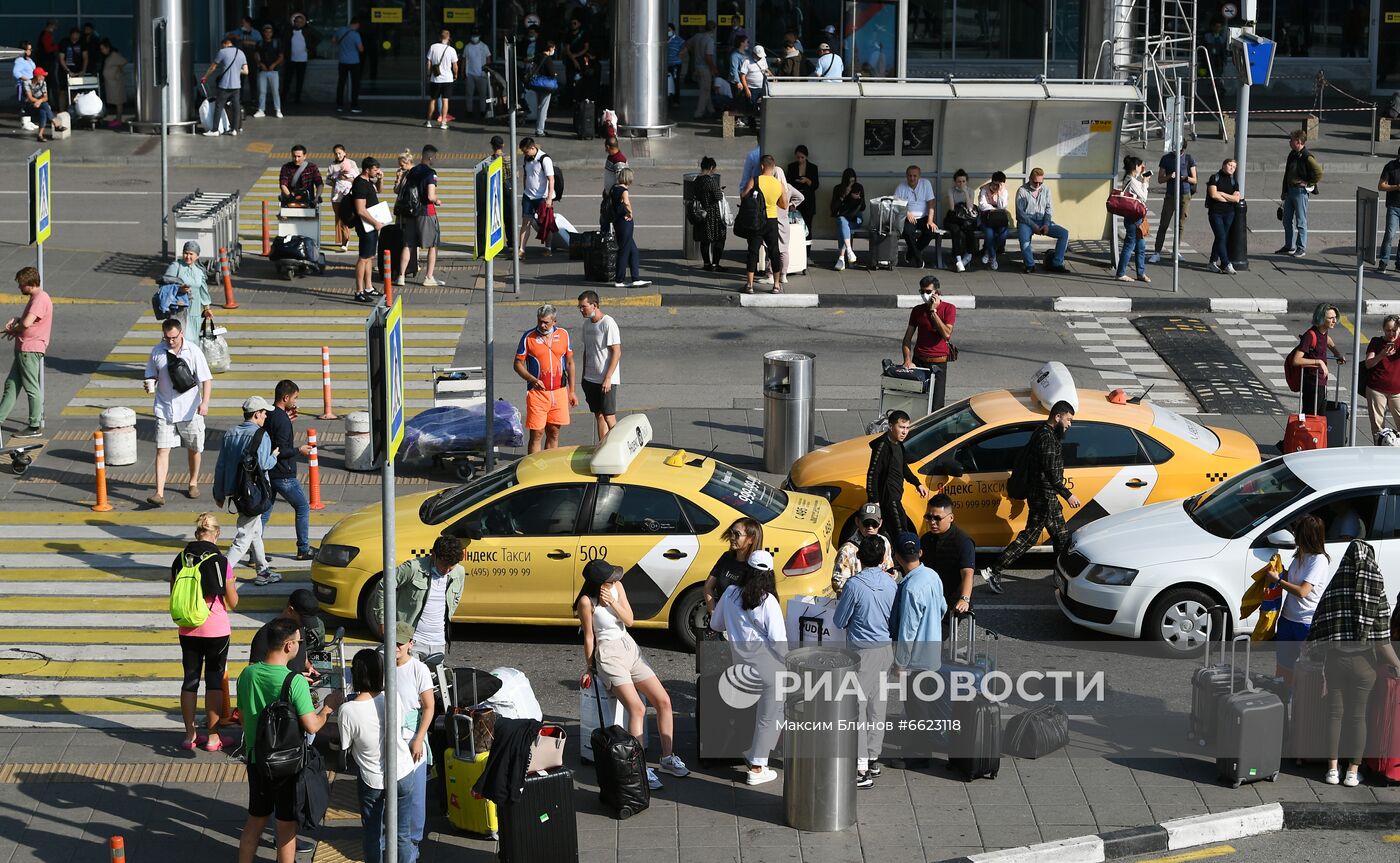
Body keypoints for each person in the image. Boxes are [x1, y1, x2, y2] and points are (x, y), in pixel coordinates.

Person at [576, 559, 690, 791]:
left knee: (663, 701)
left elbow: (629, 620)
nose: (615, 580)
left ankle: (668, 758)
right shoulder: (586, 602)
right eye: (610, 578)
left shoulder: (617, 588)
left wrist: (613, 604)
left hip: (629, 646)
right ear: (598, 583)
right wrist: (590, 667)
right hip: (608, 654)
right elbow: (589, 637)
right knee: (637, 708)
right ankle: (639, 768)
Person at [235, 618, 338, 863]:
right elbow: (312, 725)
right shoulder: (295, 682)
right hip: (287, 765)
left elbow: (242, 716)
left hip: (255, 758)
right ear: (288, 646)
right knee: (285, 828)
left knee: (255, 821)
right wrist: (327, 709)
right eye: (298, 641)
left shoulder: (247, 674)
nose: (299, 645)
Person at [1305, 536, 1400, 787]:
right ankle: (1352, 771)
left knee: (1334, 715)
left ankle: (1332, 770)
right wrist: (1397, 665)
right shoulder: (1375, 587)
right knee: (1358, 717)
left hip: (1335, 660)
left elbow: (1319, 623)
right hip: (1364, 663)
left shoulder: (1336, 586)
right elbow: (1382, 639)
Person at [982, 400, 1081, 593]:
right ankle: (993, 570)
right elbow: (1051, 472)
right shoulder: (1048, 439)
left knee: (1059, 537)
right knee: (1032, 537)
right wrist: (1067, 495)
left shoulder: (1042, 431)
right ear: (1058, 416)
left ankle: (1058, 577)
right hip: (1045, 497)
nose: (1070, 424)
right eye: (1068, 419)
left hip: (1042, 494)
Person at [709, 550, 787, 786]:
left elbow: (716, 623)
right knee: (770, 716)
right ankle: (757, 767)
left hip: (740, 667)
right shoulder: (768, 601)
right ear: (769, 575)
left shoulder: (731, 593)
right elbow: (779, 642)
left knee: (758, 715)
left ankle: (754, 750)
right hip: (768, 668)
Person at [338, 649, 414, 863]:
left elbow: (344, 745)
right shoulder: (392, 697)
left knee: (373, 835)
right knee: (402, 834)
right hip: (403, 771)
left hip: (372, 779)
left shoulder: (348, 710)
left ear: (355, 674)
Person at [833, 535, 897, 789]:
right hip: (886, 650)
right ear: (883, 559)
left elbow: (839, 621)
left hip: (862, 653)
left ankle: (860, 770)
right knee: (877, 705)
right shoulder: (891, 584)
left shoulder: (854, 586)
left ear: (859, 557)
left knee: (856, 708)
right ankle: (872, 757)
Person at [170, 512, 237, 751]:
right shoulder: (221, 561)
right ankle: (213, 737)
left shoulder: (180, 558)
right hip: (215, 629)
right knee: (214, 681)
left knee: (190, 679)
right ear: (216, 533)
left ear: (197, 532)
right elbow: (233, 602)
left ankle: (189, 735)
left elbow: (174, 592)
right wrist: (232, 582)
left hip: (187, 628)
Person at [890, 530, 946, 769]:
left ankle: (918, 753)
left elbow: (908, 631)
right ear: (920, 553)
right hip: (933, 651)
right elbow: (943, 607)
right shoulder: (932, 576)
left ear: (897, 557)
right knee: (926, 704)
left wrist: (900, 663)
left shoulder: (911, 588)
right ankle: (923, 746)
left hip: (916, 659)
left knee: (915, 708)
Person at [143, 318, 212, 507]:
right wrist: (149, 382)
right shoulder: (158, 351)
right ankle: (159, 492)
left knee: (194, 448)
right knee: (162, 450)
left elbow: (206, 379)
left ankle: (193, 482)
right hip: (164, 408)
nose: (170, 341)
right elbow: (151, 373)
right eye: (167, 337)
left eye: (173, 337)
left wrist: (204, 403)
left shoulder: (193, 351)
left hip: (190, 409)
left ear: (181, 333)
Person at [214, 395, 280, 585]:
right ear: (257, 414)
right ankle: (218, 574)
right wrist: (274, 455)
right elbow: (265, 464)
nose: (266, 416)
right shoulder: (261, 435)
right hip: (254, 492)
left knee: (255, 531)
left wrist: (218, 493)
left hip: (236, 490)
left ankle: (263, 572)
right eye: (264, 413)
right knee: (244, 536)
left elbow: (221, 465)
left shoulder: (230, 433)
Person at [369, 535, 467, 657]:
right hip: (410, 641)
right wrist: (382, 620)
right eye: (444, 565)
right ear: (434, 555)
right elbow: (383, 585)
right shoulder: (413, 568)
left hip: (439, 643)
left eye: (451, 566)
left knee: (434, 676)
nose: (447, 570)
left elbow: (455, 599)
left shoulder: (459, 572)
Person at [389, 620, 434, 861]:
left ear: (410, 644)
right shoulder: (382, 665)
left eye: (400, 643)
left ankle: (413, 843)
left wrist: (419, 739)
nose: (395, 647)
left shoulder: (419, 669)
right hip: (388, 743)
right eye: (391, 641)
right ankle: (391, 843)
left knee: (415, 802)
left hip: (411, 744)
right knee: (390, 799)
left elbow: (429, 707)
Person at [1270, 514, 1332, 685]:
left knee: (1307, 668)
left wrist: (1278, 580)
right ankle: (1283, 697)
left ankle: (1304, 702)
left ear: (1306, 536)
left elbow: (1303, 591)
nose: (1294, 536)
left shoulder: (1319, 561)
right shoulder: (1299, 556)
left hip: (1305, 622)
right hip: (1287, 618)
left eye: (1297, 533)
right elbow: (1291, 578)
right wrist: (1278, 570)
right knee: (1283, 665)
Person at [257, 380, 314, 562]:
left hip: (268, 472)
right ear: (286, 397)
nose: (296, 402)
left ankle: (254, 553)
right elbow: (280, 449)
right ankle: (303, 549)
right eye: (295, 398)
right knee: (303, 507)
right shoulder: (281, 420)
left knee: (265, 513)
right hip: (283, 474)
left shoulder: (271, 414)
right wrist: (299, 450)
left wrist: (285, 419)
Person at [514, 304, 577, 454]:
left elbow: (569, 363)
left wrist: (572, 391)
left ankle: (550, 468)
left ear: (554, 321)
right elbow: (517, 364)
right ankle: (534, 469)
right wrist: (532, 379)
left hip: (559, 392)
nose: (542, 325)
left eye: (546, 322)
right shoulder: (528, 337)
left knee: (554, 432)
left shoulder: (563, 335)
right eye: (539, 321)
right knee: (537, 433)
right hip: (537, 394)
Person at [866, 409, 930, 548]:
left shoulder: (898, 444)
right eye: (901, 427)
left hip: (895, 495)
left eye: (907, 428)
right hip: (888, 498)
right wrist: (874, 501)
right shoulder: (883, 446)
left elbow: (902, 467)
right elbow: (872, 474)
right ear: (890, 426)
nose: (904, 432)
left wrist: (916, 484)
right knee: (900, 530)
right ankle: (904, 560)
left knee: (889, 531)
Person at [1, 266, 51, 438]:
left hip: (29, 349)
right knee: (11, 386)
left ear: (30, 283)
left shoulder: (39, 299)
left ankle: (34, 425)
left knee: (31, 388)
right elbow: (28, 321)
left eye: (21, 285)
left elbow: (28, 323)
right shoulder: (37, 297)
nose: (20, 288)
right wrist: (17, 321)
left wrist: (15, 328)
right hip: (24, 349)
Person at [919, 493, 975, 629]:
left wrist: (964, 599)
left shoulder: (962, 542)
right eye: (928, 517)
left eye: (937, 518)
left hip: (951, 602)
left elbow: (967, 573)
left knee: (935, 640)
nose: (932, 522)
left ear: (951, 518)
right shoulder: (925, 539)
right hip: (928, 600)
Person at [901, 275, 955, 411]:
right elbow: (907, 338)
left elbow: (946, 334)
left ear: (937, 292)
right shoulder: (917, 310)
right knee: (915, 404)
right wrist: (907, 360)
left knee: (936, 407)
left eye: (928, 292)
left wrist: (933, 311)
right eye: (922, 292)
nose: (924, 295)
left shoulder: (949, 309)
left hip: (938, 364)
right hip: (919, 361)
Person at [577, 291, 621, 441]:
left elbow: (617, 352)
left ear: (594, 305)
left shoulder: (608, 323)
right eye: (580, 307)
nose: (581, 310)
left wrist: (608, 378)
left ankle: (617, 446)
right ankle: (602, 446)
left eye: (583, 306)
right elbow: (587, 351)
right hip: (590, 379)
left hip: (606, 380)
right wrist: (583, 376)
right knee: (599, 415)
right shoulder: (586, 324)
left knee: (609, 416)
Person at [1289, 303, 1346, 416]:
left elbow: (1327, 340)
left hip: (1321, 381)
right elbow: (1296, 360)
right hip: (1312, 383)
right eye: (1330, 318)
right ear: (1321, 318)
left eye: (1335, 317)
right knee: (1311, 416)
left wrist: (1337, 353)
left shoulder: (1323, 332)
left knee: (1320, 415)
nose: (1334, 321)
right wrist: (1319, 362)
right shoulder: (1310, 336)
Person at [742, 155, 788, 294]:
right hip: (772, 220)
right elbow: (784, 204)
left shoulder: (755, 180)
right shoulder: (778, 184)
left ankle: (749, 285)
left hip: (756, 220)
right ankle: (776, 285)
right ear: (773, 167)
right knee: (774, 251)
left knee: (753, 251)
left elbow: (744, 196)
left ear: (762, 166)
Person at [400, 145, 444, 288]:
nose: (436, 160)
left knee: (408, 245)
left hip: (411, 212)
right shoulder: (431, 173)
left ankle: (401, 276)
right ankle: (429, 277)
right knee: (433, 245)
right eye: (435, 157)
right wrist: (437, 200)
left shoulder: (413, 171)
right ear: (430, 157)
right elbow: (430, 196)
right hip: (426, 212)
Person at [1015, 168, 1069, 274]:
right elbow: (1020, 213)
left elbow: (1049, 209)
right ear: (1030, 179)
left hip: (1042, 220)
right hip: (1027, 221)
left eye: (1040, 182)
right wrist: (1033, 225)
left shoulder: (1046, 190)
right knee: (1024, 239)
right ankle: (1030, 265)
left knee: (1064, 233)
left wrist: (1046, 224)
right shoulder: (1022, 191)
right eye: (1035, 182)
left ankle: (1057, 263)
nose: (1037, 185)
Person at [832, 503, 894, 593]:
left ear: (880, 523)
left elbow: (890, 570)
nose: (870, 528)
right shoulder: (847, 550)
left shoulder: (884, 542)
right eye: (866, 523)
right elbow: (838, 583)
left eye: (874, 524)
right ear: (857, 521)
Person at [1279, 129, 1323, 257]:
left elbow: (1319, 172)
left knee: (1300, 221)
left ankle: (1301, 247)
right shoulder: (1292, 154)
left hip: (1300, 191)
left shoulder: (1307, 156)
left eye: (1291, 140)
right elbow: (1287, 174)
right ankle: (1289, 245)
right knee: (1286, 219)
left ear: (1298, 142)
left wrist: (1308, 183)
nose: (1289, 142)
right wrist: (1284, 191)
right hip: (1290, 190)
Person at [1150, 141, 1196, 264]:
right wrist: (1170, 176)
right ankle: (1157, 252)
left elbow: (1194, 179)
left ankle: (1176, 251)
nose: (1179, 151)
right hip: (1170, 195)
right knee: (1164, 223)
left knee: (1180, 224)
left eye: (1181, 150)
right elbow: (1160, 179)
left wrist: (1185, 178)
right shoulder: (1166, 158)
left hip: (1185, 194)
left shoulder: (1188, 158)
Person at [707, 518, 763, 612]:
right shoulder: (726, 557)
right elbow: (708, 587)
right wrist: (714, 613)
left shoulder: (756, 567)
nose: (732, 537)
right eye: (731, 533)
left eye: (737, 534)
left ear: (751, 539)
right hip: (722, 621)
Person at [349, 157, 385, 302]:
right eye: (375, 170)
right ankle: (359, 291)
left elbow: (379, 190)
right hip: (366, 226)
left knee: (370, 257)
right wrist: (375, 222)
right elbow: (360, 210)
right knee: (363, 258)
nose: (377, 172)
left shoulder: (368, 181)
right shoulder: (359, 185)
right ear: (367, 170)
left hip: (371, 225)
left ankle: (369, 286)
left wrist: (380, 179)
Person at [201, 36, 248, 137]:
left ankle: (215, 130)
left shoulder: (222, 52)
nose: (222, 46)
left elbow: (213, 67)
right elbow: (246, 71)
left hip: (225, 85)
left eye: (223, 44)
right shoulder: (241, 53)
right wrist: (236, 70)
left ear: (227, 43)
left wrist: (205, 76)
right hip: (236, 86)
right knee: (236, 107)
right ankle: (234, 129)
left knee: (219, 107)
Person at [161, 241, 212, 333]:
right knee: (179, 338)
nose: (188, 257)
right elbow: (164, 286)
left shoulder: (200, 271)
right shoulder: (175, 267)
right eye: (185, 253)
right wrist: (179, 289)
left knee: (194, 341)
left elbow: (203, 291)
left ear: (197, 256)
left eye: (191, 254)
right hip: (179, 310)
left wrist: (207, 309)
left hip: (195, 311)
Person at [609, 168, 648, 288]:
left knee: (633, 251)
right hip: (625, 223)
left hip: (617, 222)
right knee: (624, 251)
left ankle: (635, 278)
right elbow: (626, 203)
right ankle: (619, 280)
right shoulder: (623, 190)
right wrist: (630, 213)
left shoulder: (613, 188)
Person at [1114, 155, 1150, 283]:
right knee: (1129, 246)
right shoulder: (1131, 180)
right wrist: (1145, 182)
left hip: (1135, 218)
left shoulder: (1130, 179)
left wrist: (1143, 179)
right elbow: (1144, 197)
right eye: (1140, 166)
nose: (1142, 168)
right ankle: (1121, 273)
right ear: (1135, 167)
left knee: (1141, 246)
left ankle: (1140, 272)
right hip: (1133, 219)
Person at [894, 165, 938, 269]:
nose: (912, 178)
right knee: (908, 232)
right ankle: (918, 258)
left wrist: (930, 220)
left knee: (930, 231)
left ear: (919, 176)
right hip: (908, 216)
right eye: (910, 176)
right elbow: (896, 204)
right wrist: (907, 213)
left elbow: (931, 202)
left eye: (915, 176)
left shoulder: (926, 184)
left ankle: (910, 253)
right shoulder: (901, 186)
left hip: (923, 216)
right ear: (906, 176)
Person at [1364, 316, 1400, 440]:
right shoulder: (1376, 342)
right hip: (1377, 389)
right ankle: (1379, 451)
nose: (1391, 333)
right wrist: (1381, 355)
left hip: (1397, 391)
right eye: (1388, 330)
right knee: (1378, 428)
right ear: (1383, 329)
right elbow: (1368, 364)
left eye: (1394, 330)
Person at [517, 138, 555, 253]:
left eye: (526, 151)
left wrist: (549, 198)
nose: (524, 154)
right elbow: (526, 175)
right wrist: (525, 191)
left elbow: (551, 179)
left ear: (533, 148)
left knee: (546, 224)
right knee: (525, 222)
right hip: (528, 196)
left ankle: (548, 248)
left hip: (542, 198)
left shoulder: (544, 159)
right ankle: (521, 249)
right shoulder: (527, 158)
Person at [1206, 158, 1242, 274]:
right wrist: (1228, 198)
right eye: (1230, 165)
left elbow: (1236, 199)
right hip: (1215, 213)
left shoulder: (1234, 181)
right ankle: (1226, 263)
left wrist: (1222, 194)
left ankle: (1212, 262)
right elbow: (1213, 195)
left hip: (1229, 213)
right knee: (1221, 236)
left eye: (1234, 167)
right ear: (1223, 165)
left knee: (1221, 237)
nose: (1232, 168)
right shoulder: (1215, 178)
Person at [694, 156, 728, 271]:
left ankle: (707, 264)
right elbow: (717, 196)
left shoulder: (696, 180)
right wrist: (720, 191)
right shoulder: (710, 181)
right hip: (713, 214)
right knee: (720, 238)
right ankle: (715, 264)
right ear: (711, 168)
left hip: (701, 213)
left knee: (705, 240)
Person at [942, 169, 978, 272]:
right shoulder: (951, 190)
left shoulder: (971, 191)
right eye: (959, 181)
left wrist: (965, 192)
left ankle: (968, 256)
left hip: (967, 218)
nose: (961, 183)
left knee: (970, 230)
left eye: (963, 181)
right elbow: (952, 208)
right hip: (954, 218)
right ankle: (958, 259)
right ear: (955, 182)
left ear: (966, 182)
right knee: (955, 230)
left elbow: (970, 208)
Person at [830, 168, 865, 271]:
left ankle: (841, 258)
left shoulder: (858, 187)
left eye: (853, 181)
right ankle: (849, 251)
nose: (851, 184)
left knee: (843, 226)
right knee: (842, 222)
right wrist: (844, 195)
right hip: (843, 217)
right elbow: (833, 208)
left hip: (855, 218)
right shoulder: (838, 189)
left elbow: (863, 207)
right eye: (849, 182)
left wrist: (858, 199)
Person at [975, 172, 1011, 271]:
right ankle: (993, 257)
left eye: (998, 184)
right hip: (987, 219)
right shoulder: (984, 189)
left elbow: (1002, 206)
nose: (995, 186)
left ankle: (988, 252)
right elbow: (982, 206)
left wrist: (999, 192)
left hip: (999, 219)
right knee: (989, 235)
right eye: (994, 183)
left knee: (1004, 234)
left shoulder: (1004, 192)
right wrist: (994, 209)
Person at [328, 144, 360, 251]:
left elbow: (358, 178)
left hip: (348, 196)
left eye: (339, 153)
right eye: (336, 153)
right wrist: (337, 179)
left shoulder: (351, 163)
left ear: (344, 153)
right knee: (339, 218)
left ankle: (345, 241)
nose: (338, 155)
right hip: (336, 197)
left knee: (345, 217)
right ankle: (342, 240)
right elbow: (328, 180)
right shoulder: (332, 166)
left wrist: (348, 180)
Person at [427, 28, 460, 129]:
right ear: (448, 38)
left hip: (435, 79)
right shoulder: (451, 50)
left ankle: (428, 121)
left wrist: (428, 74)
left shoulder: (433, 47)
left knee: (433, 100)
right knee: (445, 100)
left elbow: (429, 62)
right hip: (447, 79)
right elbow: (455, 66)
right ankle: (443, 122)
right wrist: (455, 75)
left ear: (439, 37)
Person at [688, 20, 718, 119]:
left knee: (706, 89)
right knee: (705, 91)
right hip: (705, 68)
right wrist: (713, 68)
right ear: (713, 29)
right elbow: (708, 57)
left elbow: (688, 44)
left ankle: (711, 109)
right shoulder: (709, 40)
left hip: (697, 66)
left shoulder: (697, 36)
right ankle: (698, 113)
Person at [334, 18, 365, 113]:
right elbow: (361, 49)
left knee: (341, 83)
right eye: (358, 25)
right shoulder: (355, 35)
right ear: (356, 24)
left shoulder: (341, 30)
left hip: (342, 61)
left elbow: (333, 41)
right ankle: (354, 106)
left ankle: (339, 105)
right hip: (354, 62)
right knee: (355, 84)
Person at [253, 24, 283, 118]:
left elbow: (281, 56)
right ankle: (261, 110)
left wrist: (274, 64)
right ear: (263, 33)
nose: (268, 34)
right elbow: (256, 54)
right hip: (263, 70)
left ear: (272, 33)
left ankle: (278, 110)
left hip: (274, 71)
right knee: (262, 91)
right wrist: (260, 63)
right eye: (266, 32)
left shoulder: (276, 43)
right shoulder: (260, 43)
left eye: (270, 32)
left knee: (275, 91)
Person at [528, 41, 558, 136]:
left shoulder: (538, 56)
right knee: (543, 108)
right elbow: (552, 73)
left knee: (540, 106)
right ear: (550, 49)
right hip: (545, 86)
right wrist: (555, 74)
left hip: (537, 84)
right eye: (553, 48)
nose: (554, 50)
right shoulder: (548, 59)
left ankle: (540, 128)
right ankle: (540, 130)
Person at [787, 145, 819, 229]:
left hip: (808, 199)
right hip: (795, 199)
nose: (800, 160)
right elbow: (788, 185)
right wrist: (791, 203)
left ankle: (808, 242)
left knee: (808, 224)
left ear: (806, 157)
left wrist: (807, 181)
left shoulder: (813, 168)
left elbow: (816, 185)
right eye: (798, 157)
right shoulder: (791, 167)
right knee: (795, 224)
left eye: (802, 157)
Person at [283, 13, 313, 104]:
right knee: (287, 79)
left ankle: (297, 99)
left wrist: (310, 48)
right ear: (294, 22)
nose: (299, 24)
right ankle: (283, 97)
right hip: (291, 59)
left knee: (300, 80)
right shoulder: (289, 31)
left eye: (301, 22)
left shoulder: (307, 31)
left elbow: (318, 37)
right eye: (297, 22)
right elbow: (284, 43)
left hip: (302, 60)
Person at [98, 39, 128, 128]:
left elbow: (124, 61)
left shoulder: (114, 55)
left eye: (103, 48)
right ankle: (117, 118)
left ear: (107, 48)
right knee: (115, 101)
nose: (102, 50)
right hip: (111, 83)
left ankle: (119, 120)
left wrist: (117, 72)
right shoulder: (109, 56)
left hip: (116, 83)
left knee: (118, 101)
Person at [1379, 146, 1400, 273]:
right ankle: (1383, 261)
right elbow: (1381, 186)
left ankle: (1399, 263)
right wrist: (1396, 187)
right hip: (1393, 206)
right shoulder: (1390, 166)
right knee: (1390, 234)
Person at [23, 68, 58, 142]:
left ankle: (40, 135)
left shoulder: (43, 83)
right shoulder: (27, 83)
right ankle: (55, 123)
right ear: (38, 76)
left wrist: (39, 101)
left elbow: (46, 98)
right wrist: (39, 101)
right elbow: (30, 98)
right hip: (29, 106)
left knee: (43, 110)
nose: (44, 77)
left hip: (40, 104)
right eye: (42, 75)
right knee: (44, 105)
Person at [737, 44, 769, 121]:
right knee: (751, 106)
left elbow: (766, 69)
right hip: (752, 88)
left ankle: (762, 122)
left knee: (764, 105)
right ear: (753, 54)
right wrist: (747, 89)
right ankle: (752, 123)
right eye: (758, 56)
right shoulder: (747, 61)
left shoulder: (763, 59)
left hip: (762, 86)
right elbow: (743, 76)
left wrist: (772, 77)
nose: (760, 57)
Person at [13, 41, 35, 131]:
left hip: (30, 85)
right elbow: (16, 72)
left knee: (29, 103)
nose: (30, 51)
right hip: (23, 85)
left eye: (30, 49)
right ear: (24, 50)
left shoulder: (29, 60)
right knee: (25, 103)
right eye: (28, 49)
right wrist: (26, 79)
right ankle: (24, 122)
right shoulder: (19, 60)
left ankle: (28, 121)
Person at [666, 23, 684, 106]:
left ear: (673, 30)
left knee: (675, 81)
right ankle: (667, 99)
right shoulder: (663, 39)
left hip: (675, 64)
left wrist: (680, 55)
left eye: (669, 30)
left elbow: (685, 48)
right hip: (665, 64)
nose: (668, 32)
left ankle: (676, 101)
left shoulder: (679, 40)